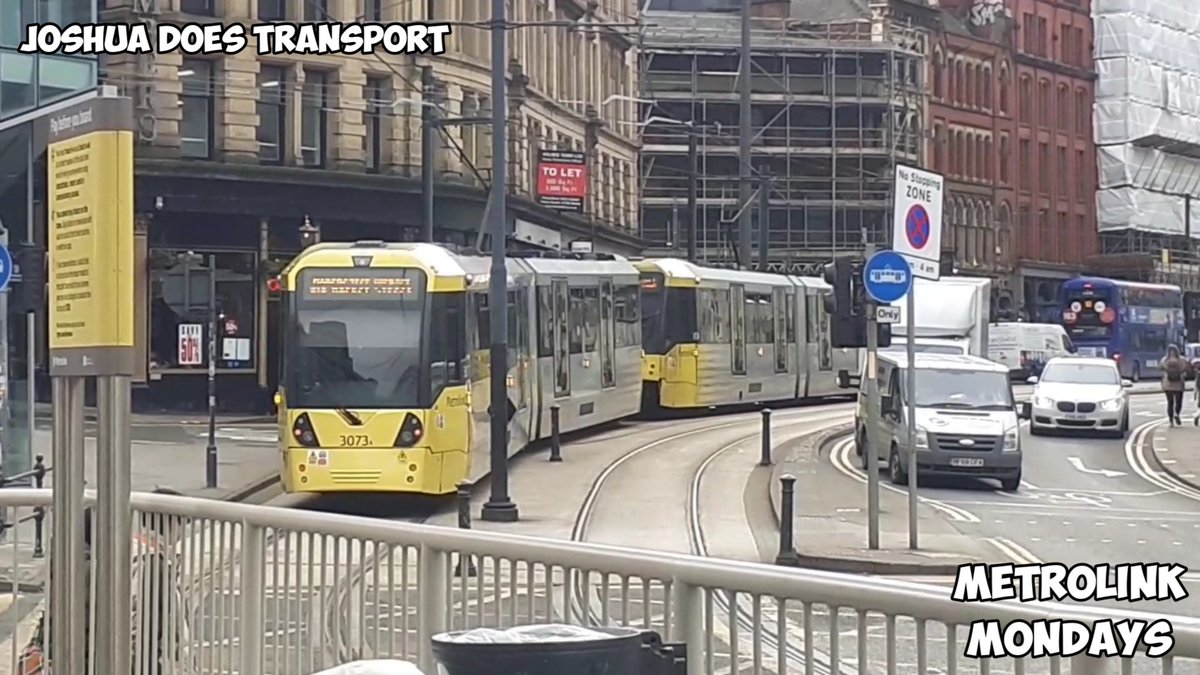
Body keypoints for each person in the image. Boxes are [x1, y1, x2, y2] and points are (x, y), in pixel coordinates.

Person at [1161, 344, 1189, 426]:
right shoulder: (1182, 360)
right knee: (1178, 401)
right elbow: (1185, 369)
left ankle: (1171, 421)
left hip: (1168, 383)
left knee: (1170, 403)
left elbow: (1160, 368)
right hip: (1179, 383)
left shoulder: (1164, 360)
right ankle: (1177, 413)